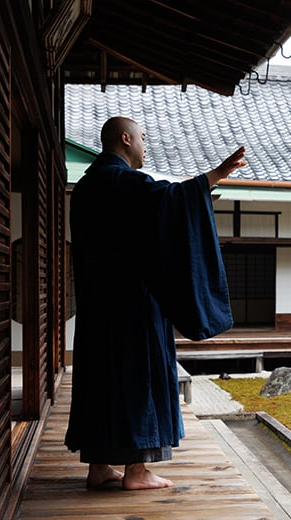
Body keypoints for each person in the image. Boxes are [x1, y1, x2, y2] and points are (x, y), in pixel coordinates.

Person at [64, 116, 246, 490]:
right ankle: (137, 471)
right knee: (138, 379)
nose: (146, 146)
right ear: (126, 139)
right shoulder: (121, 181)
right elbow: (170, 200)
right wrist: (215, 175)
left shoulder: (85, 187)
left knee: (102, 380)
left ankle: (98, 467)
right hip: (132, 305)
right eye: (143, 138)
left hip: (97, 306)